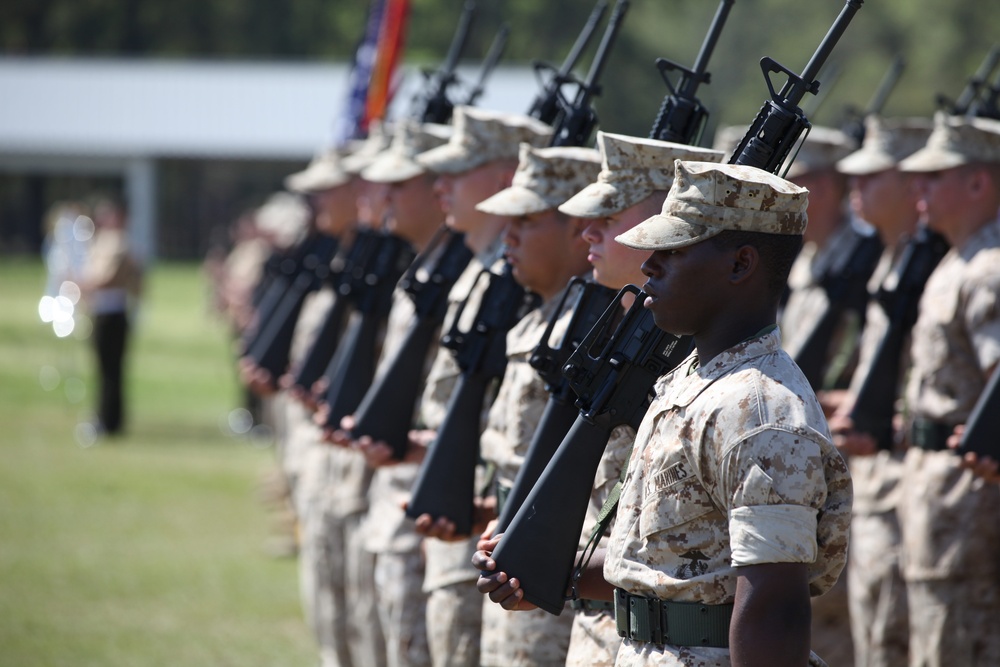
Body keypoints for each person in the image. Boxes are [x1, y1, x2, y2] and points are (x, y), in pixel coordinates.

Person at [476, 159, 853, 667]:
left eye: (673, 251)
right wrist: (549, 574)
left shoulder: (762, 412)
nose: (649, 264)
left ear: (741, 265)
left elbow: (774, 609)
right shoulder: (689, 382)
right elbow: (671, 564)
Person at [372, 107, 554, 667]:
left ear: (505, 179)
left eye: (456, 172)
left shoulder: (521, 282)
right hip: (462, 528)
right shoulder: (480, 272)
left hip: (489, 540)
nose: (439, 186)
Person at [557, 132, 725, 667]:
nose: (588, 231)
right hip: (608, 632)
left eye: (610, 215)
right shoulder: (625, 334)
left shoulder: (719, 367)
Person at [824, 115, 933, 667]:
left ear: (912, 186)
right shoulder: (893, 259)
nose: (856, 189)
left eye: (873, 178)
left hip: (902, 490)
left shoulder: (928, 267)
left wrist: (889, 426)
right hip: (873, 490)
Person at [893, 112, 1000, 667]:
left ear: (979, 182)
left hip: (969, 510)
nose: (919, 187)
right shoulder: (958, 262)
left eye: (935, 176)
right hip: (942, 506)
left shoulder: (988, 270)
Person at [79, 196, 143, 437]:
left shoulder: (119, 242)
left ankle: (108, 422)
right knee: (105, 370)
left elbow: (107, 278)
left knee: (110, 371)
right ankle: (106, 418)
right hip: (103, 310)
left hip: (112, 312)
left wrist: (82, 284)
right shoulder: (104, 241)